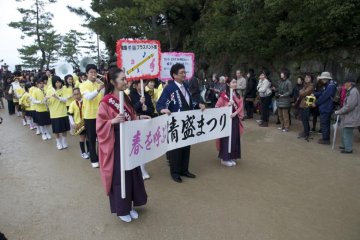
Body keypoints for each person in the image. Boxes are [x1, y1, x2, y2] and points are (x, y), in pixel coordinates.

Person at [96, 67, 148, 223]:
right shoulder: (106, 102)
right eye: (123, 79)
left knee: (132, 174)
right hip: (116, 143)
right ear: (112, 82)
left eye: (126, 78)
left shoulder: (125, 97)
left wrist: (139, 117)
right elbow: (100, 125)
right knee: (120, 177)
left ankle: (130, 205)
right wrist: (111, 122)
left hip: (129, 141)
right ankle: (121, 209)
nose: (126, 82)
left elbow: (130, 117)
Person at [156, 63, 206, 183]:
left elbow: (189, 102)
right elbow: (160, 104)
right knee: (175, 149)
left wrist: (198, 104)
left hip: (187, 121)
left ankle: (184, 169)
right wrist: (162, 109)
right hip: (175, 123)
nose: (184, 74)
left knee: (186, 146)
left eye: (185, 72)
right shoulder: (169, 88)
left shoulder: (186, 86)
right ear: (174, 75)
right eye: (182, 72)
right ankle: (175, 172)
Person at [79, 64, 105, 168]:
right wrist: (99, 88)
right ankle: (93, 158)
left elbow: (104, 95)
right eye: (91, 72)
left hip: (101, 115)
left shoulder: (99, 84)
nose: (93, 74)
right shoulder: (83, 85)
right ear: (87, 74)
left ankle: (102, 157)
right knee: (91, 138)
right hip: (89, 115)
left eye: (95, 72)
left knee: (101, 138)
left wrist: (102, 86)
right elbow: (89, 97)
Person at [129, 80, 155, 180]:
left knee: (145, 146)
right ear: (135, 85)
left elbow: (152, 109)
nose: (143, 85)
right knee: (137, 145)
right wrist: (140, 102)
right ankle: (139, 169)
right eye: (141, 83)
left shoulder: (147, 95)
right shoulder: (131, 95)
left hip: (146, 123)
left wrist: (146, 108)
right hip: (136, 123)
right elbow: (131, 110)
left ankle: (143, 168)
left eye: (144, 83)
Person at [215, 78, 244, 167]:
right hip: (226, 120)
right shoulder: (224, 95)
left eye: (235, 82)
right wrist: (227, 106)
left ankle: (231, 156)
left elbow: (241, 106)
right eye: (233, 82)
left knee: (234, 138)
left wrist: (235, 113)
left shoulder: (238, 95)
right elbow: (216, 107)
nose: (235, 84)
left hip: (234, 119)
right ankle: (224, 158)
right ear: (228, 84)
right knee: (226, 138)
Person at [335, 79, 360, 154]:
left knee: (347, 132)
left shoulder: (353, 92)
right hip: (348, 116)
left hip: (351, 116)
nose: (344, 85)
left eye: (345, 83)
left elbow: (349, 106)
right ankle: (345, 145)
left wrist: (339, 111)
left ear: (349, 83)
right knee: (344, 130)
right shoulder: (351, 91)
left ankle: (348, 149)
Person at [46, 76, 70, 150]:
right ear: (53, 83)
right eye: (56, 82)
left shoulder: (64, 89)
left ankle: (64, 142)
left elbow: (66, 99)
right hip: (54, 114)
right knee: (56, 130)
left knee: (64, 130)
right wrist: (46, 100)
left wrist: (57, 97)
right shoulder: (50, 91)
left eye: (59, 82)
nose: (58, 84)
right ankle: (58, 143)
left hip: (63, 112)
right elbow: (48, 103)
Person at [313, 72, 337, 144]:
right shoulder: (329, 85)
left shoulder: (330, 86)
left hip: (326, 107)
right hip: (326, 107)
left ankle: (326, 139)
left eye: (322, 78)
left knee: (325, 123)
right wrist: (314, 93)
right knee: (324, 123)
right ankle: (325, 138)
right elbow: (322, 93)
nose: (321, 80)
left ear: (326, 78)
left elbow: (324, 96)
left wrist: (316, 103)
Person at [68, 88, 90, 159]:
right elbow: (70, 114)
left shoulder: (86, 101)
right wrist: (73, 123)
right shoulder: (72, 104)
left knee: (88, 137)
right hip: (79, 123)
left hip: (87, 121)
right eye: (74, 94)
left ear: (81, 93)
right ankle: (83, 152)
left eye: (77, 94)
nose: (76, 96)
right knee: (82, 138)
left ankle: (89, 151)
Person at [298, 74, 314, 141]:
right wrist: (302, 91)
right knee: (304, 119)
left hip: (306, 104)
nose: (306, 78)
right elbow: (302, 92)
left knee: (305, 119)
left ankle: (306, 133)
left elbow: (303, 93)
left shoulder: (311, 86)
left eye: (308, 77)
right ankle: (305, 131)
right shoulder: (305, 85)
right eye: (306, 77)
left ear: (311, 79)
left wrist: (301, 91)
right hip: (303, 104)